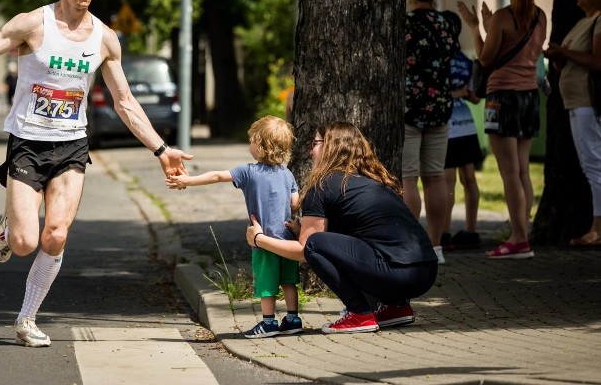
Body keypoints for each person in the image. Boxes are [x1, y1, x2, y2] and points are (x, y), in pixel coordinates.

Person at [0, 0, 193, 348]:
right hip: (27, 142)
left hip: (71, 144)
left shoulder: (105, 38)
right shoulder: (32, 24)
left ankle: (27, 318)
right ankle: (8, 225)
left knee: (56, 233)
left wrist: (161, 150)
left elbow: (124, 102)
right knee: (24, 243)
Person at [245, 121, 438, 334]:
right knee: (331, 242)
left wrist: (259, 239)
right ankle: (396, 307)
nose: (311, 149)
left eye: (315, 143)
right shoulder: (376, 181)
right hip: (426, 273)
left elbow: (305, 251)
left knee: (314, 244)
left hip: (394, 273)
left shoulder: (322, 186)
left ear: (330, 147)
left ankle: (359, 314)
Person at [166, 115, 302, 339]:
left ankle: (268, 323)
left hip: (264, 239)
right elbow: (294, 202)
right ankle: (293, 318)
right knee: (289, 281)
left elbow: (218, 176)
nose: (250, 145)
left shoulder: (249, 171)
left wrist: (188, 181)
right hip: (287, 239)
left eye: (251, 141)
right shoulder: (287, 174)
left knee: (267, 283)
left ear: (260, 145)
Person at [457, 0, 547, 259]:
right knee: (522, 171)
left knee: (509, 172)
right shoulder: (540, 17)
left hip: (503, 98)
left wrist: (475, 27)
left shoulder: (503, 17)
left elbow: (485, 58)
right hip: (530, 97)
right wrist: (488, 25)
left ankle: (518, 239)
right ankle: (524, 234)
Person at [402, 0, 461, 264]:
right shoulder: (447, 24)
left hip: (410, 107)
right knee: (436, 177)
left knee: (408, 178)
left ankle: (412, 245)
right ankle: (436, 245)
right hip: (440, 107)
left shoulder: (404, 25)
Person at [544, 0, 601, 247]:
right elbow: (571, 62)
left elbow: (597, 62)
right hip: (575, 102)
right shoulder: (583, 22)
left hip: (589, 103)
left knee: (594, 164)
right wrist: (558, 58)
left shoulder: (599, 21)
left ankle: (598, 229)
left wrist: (564, 52)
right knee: (589, 163)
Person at [441, 50, 484, 251]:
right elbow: (475, 98)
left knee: (448, 180)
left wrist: (454, 93)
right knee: (469, 178)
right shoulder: (466, 61)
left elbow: (437, 93)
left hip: (448, 125)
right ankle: (471, 231)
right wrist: (463, 92)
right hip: (467, 124)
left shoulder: (440, 58)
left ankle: (444, 233)